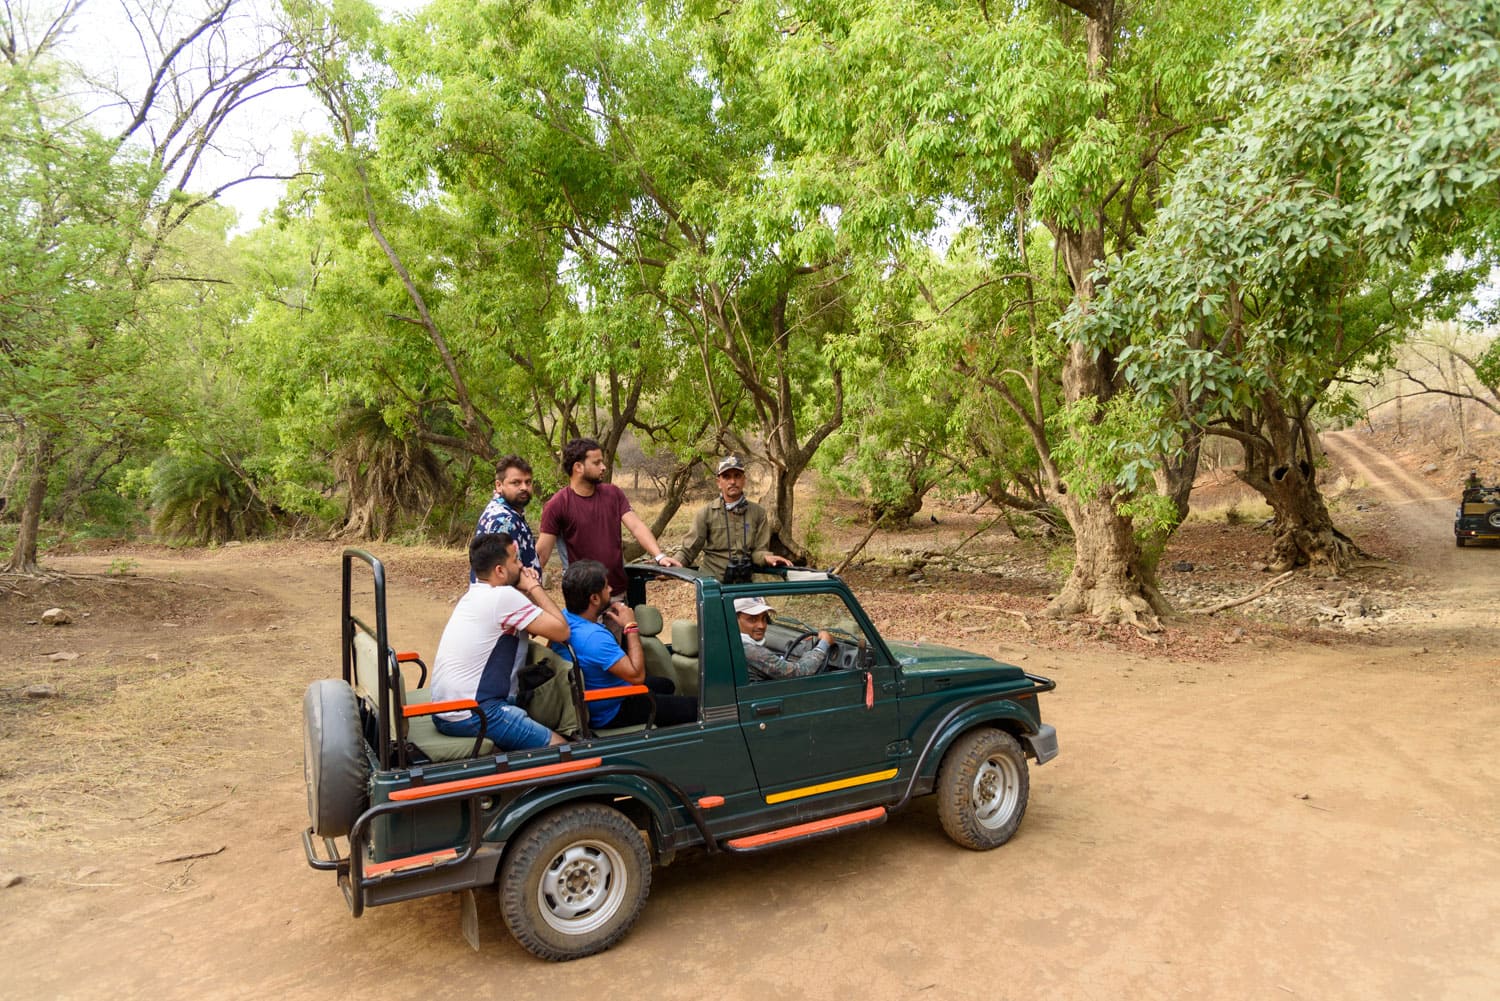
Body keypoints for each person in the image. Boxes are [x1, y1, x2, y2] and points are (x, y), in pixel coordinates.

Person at [429, 533, 571, 750]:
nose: (521, 565)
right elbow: (561, 631)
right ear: (500, 570)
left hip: (447, 711)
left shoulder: (475, 594)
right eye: (515, 560)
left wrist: (525, 590)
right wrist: (534, 587)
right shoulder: (503, 598)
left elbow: (534, 623)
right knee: (560, 747)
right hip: (477, 712)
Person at [552, 560, 698, 729]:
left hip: (595, 697)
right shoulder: (595, 638)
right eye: (606, 587)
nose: (611, 590)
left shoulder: (563, 620)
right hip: (613, 710)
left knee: (666, 684)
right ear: (594, 598)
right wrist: (631, 627)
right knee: (696, 707)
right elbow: (637, 676)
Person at [536, 437, 680, 598]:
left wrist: (659, 556)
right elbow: (542, 554)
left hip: (616, 592)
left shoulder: (613, 494)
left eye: (602, 462)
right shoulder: (557, 504)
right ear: (578, 467)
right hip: (582, 599)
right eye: (596, 463)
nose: (603, 467)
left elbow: (636, 526)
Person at [670, 455, 792, 582]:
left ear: (744, 480)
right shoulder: (705, 513)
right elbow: (688, 551)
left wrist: (767, 557)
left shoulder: (758, 513)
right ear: (718, 482)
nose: (732, 481)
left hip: (745, 585)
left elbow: (759, 551)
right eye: (726, 477)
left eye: (737, 476)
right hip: (713, 586)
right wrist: (672, 567)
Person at [735, 596, 833, 681]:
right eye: (752, 619)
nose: (761, 625)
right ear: (734, 619)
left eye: (764, 618)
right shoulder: (749, 651)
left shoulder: (730, 642)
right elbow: (798, 673)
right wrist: (823, 645)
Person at [473, 455, 540, 575]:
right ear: (499, 485)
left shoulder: (511, 513)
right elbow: (501, 575)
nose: (524, 487)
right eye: (516, 483)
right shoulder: (503, 520)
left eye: (528, 482)